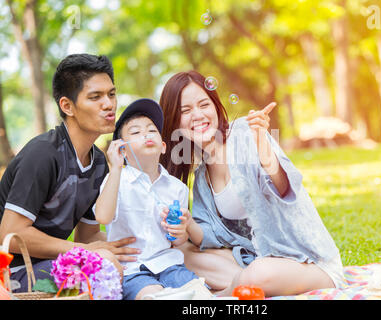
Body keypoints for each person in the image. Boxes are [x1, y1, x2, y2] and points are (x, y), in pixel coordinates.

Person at [159, 70, 345, 297]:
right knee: (183, 253)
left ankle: (225, 293)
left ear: (216, 107)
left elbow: (283, 187)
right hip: (255, 258)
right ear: (174, 122)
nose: (197, 115)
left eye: (203, 104)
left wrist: (264, 150)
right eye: (185, 110)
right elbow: (207, 237)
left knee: (258, 273)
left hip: (306, 263)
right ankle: (242, 284)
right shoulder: (201, 178)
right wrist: (187, 224)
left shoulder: (246, 132)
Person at [0, 53, 139, 292]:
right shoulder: (42, 154)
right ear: (67, 106)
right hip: (12, 273)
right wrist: (85, 252)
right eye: (95, 97)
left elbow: (88, 236)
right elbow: (11, 232)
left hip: (54, 265)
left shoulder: (98, 163)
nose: (109, 104)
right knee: (103, 269)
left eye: (111, 94)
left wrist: (136, 246)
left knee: (136, 263)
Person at [94, 98, 200, 300]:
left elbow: (178, 240)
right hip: (133, 270)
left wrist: (179, 232)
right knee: (154, 296)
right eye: (135, 132)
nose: (145, 134)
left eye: (151, 130)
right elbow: (102, 217)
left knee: (199, 295)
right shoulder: (116, 180)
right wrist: (115, 168)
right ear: (122, 150)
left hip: (170, 265)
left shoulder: (177, 188)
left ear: (162, 147)